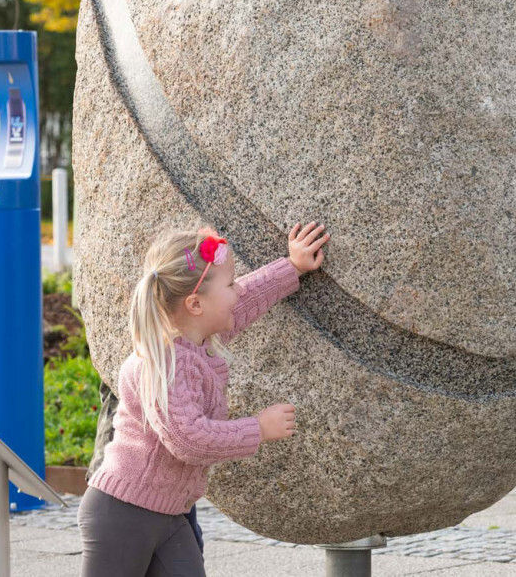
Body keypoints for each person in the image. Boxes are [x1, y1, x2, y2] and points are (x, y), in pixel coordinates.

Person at [78, 222, 330, 576]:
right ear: (195, 304)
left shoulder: (195, 339)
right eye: (230, 285)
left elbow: (246, 301)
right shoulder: (164, 364)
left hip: (170, 515)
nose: (238, 292)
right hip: (122, 515)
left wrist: (292, 266)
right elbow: (188, 439)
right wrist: (257, 428)